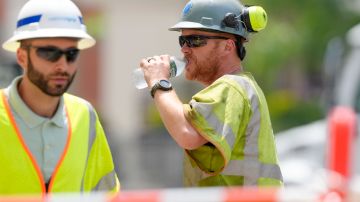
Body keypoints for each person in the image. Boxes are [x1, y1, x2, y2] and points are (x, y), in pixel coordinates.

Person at [139, 0, 283, 186]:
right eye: (183, 40)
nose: (184, 49)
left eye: (196, 40)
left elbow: (186, 133)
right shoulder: (239, 88)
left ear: (228, 46)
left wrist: (159, 82)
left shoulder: (232, 87)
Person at [0, 0, 119, 195]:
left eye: (71, 54)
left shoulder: (85, 115)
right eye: (49, 53)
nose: (62, 66)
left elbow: (107, 194)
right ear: (22, 57)